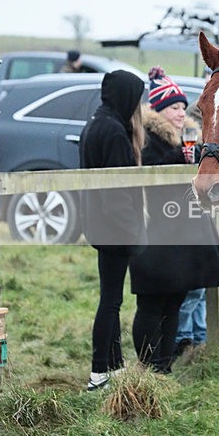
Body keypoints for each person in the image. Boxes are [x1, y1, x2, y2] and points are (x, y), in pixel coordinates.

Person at [129, 67, 219, 373]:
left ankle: (164, 364)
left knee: (175, 299)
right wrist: (179, 161)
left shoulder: (188, 138)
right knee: (152, 302)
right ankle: (148, 364)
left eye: (183, 107)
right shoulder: (147, 137)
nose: (180, 113)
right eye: (174, 107)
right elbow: (148, 171)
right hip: (157, 229)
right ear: (158, 110)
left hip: (184, 228)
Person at [79, 69, 147, 391]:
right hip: (115, 228)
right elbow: (118, 194)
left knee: (111, 298)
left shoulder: (95, 124)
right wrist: (133, 234)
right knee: (110, 301)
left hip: (98, 224)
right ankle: (98, 372)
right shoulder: (116, 133)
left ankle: (115, 367)